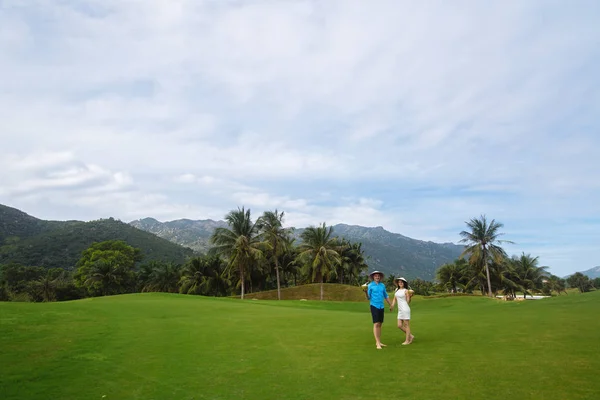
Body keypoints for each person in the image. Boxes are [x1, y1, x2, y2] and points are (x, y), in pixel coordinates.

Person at [366, 271, 392, 349]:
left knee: (380, 324)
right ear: (373, 277)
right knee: (376, 324)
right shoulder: (370, 286)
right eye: (376, 276)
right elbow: (368, 297)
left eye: (378, 276)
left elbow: (386, 295)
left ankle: (379, 341)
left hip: (381, 306)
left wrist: (390, 304)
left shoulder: (382, 285)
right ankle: (377, 343)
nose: (377, 277)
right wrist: (365, 292)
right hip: (374, 306)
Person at [390, 277, 414, 345]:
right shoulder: (396, 290)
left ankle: (407, 340)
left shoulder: (406, 291)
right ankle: (411, 336)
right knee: (399, 325)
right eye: (399, 282)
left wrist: (410, 296)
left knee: (406, 325)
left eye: (402, 282)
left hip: (405, 309)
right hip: (400, 310)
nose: (400, 283)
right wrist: (392, 305)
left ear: (404, 283)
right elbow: (395, 299)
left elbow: (408, 301)